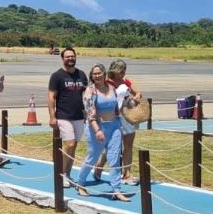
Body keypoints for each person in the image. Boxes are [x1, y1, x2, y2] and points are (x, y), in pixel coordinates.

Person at [77, 64, 130, 201]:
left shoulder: (111, 88)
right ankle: (81, 183)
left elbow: (117, 105)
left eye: (99, 73)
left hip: (114, 126)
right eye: (95, 74)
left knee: (114, 157)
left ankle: (116, 189)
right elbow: (90, 114)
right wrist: (97, 131)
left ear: (104, 73)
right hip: (97, 128)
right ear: (91, 76)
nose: (97, 76)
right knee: (92, 157)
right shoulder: (90, 91)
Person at [92, 60, 143, 183]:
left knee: (128, 146)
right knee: (112, 145)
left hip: (127, 116)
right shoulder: (107, 83)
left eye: (122, 71)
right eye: (119, 71)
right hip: (112, 117)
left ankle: (127, 174)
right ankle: (99, 166)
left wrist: (135, 98)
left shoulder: (126, 82)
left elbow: (138, 93)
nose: (121, 73)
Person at [47, 47, 88, 188]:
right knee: (69, 144)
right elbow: (51, 96)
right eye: (67, 57)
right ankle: (61, 173)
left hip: (79, 116)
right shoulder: (57, 76)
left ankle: (68, 174)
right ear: (62, 58)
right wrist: (52, 116)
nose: (70, 59)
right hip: (63, 115)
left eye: (72, 56)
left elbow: (87, 95)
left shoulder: (82, 75)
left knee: (74, 147)